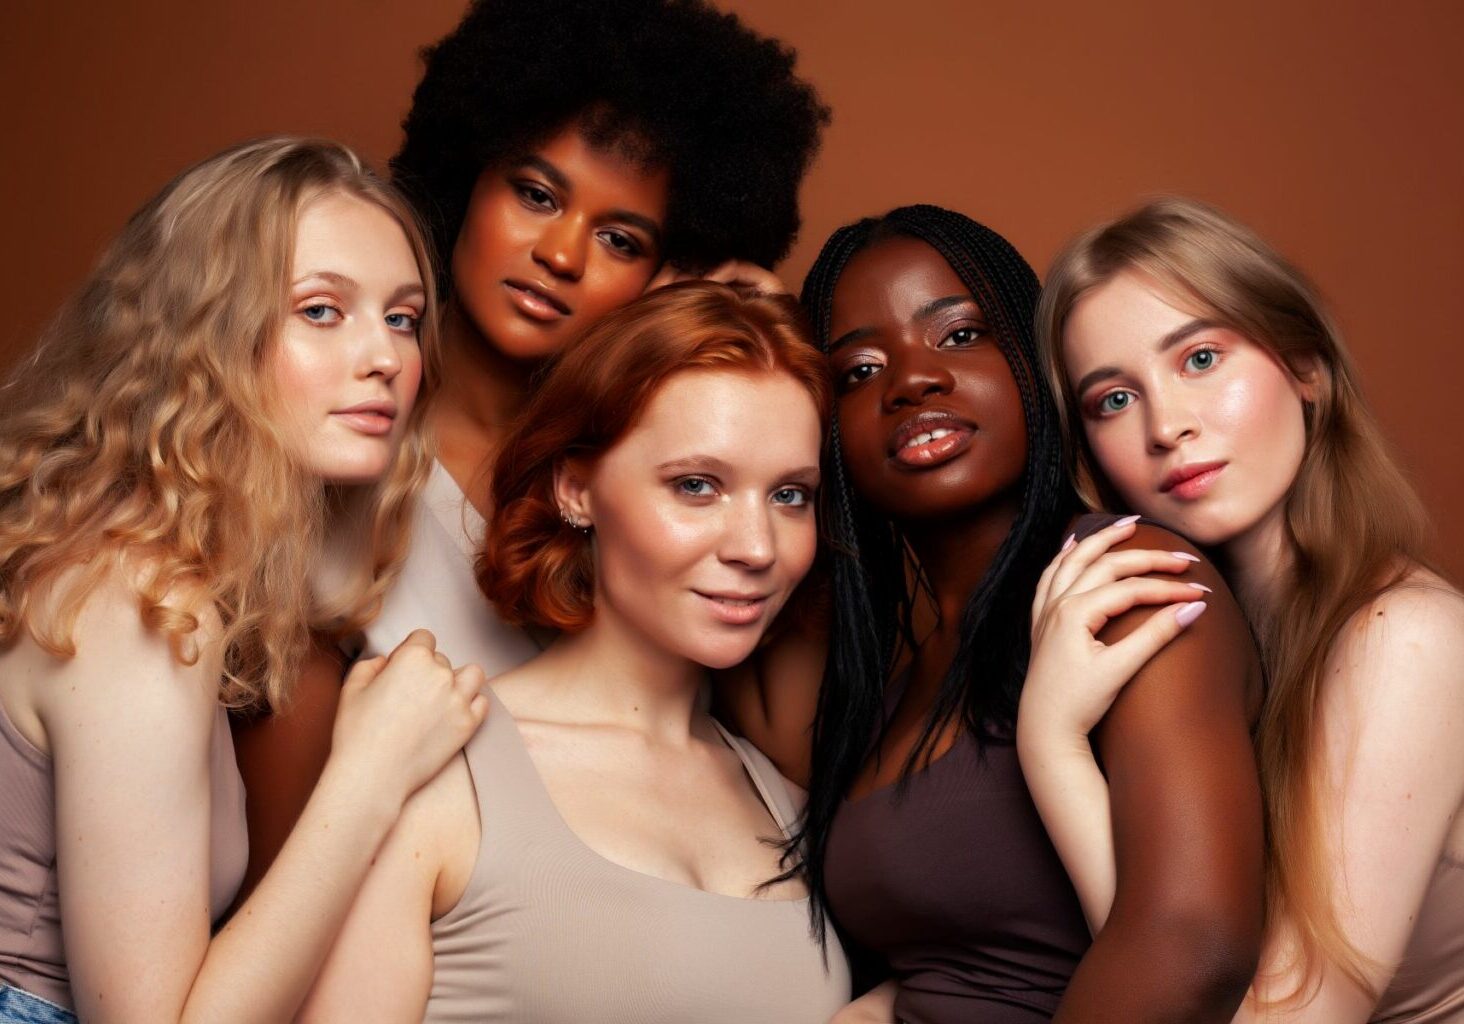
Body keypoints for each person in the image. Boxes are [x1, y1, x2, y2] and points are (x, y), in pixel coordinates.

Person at [232, 0, 829, 884]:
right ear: (463, 178)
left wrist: (745, 317)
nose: (561, 253)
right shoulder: (330, 447)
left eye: (620, 239)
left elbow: (788, 762)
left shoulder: (656, 487)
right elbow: (280, 876)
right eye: (537, 194)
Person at [716, 204, 1266, 1023]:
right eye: (858, 373)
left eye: (960, 335)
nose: (911, 381)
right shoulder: (888, 678)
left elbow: (1192, 945)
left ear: (1031, 360)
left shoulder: (1122, 578)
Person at [0, 138, 487, 1023]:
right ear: (203, 333)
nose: (384, 357)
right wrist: (370, 774)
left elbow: (337, 581)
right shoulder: (136, 603)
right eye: (322, 311)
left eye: (404, 318)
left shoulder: (184, 556)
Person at [297, 282, 852, 1022]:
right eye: (696, 486)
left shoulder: (789, 802)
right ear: (576, 489)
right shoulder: (436, 766)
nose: (756, 547)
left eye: (790, 496)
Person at [1026, 196, 1464, 1022]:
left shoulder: (1406, 637)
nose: (1168, 426)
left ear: (1306, 366)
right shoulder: (1200, 643)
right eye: (1113, 400)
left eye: (1198, 359)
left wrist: (1050, 748)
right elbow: (1175, 951)